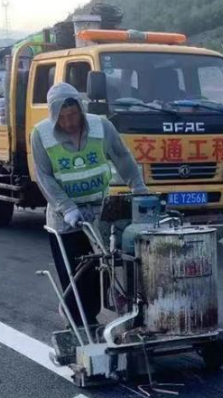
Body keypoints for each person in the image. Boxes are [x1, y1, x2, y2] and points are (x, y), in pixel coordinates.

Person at [31, 82, 149, 327]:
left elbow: (122, 158)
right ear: (53, 116)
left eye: (72, 114)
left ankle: (100, 315)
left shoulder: (101, 127)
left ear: (81, 109)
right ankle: (77, 324)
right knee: (75, 274)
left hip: (99, 210)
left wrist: (139, 189)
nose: (69, 122)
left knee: (102, 267)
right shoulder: (41, 135)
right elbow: (44, 177)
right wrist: (68, 208)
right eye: (62, 117)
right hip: (66, 216)